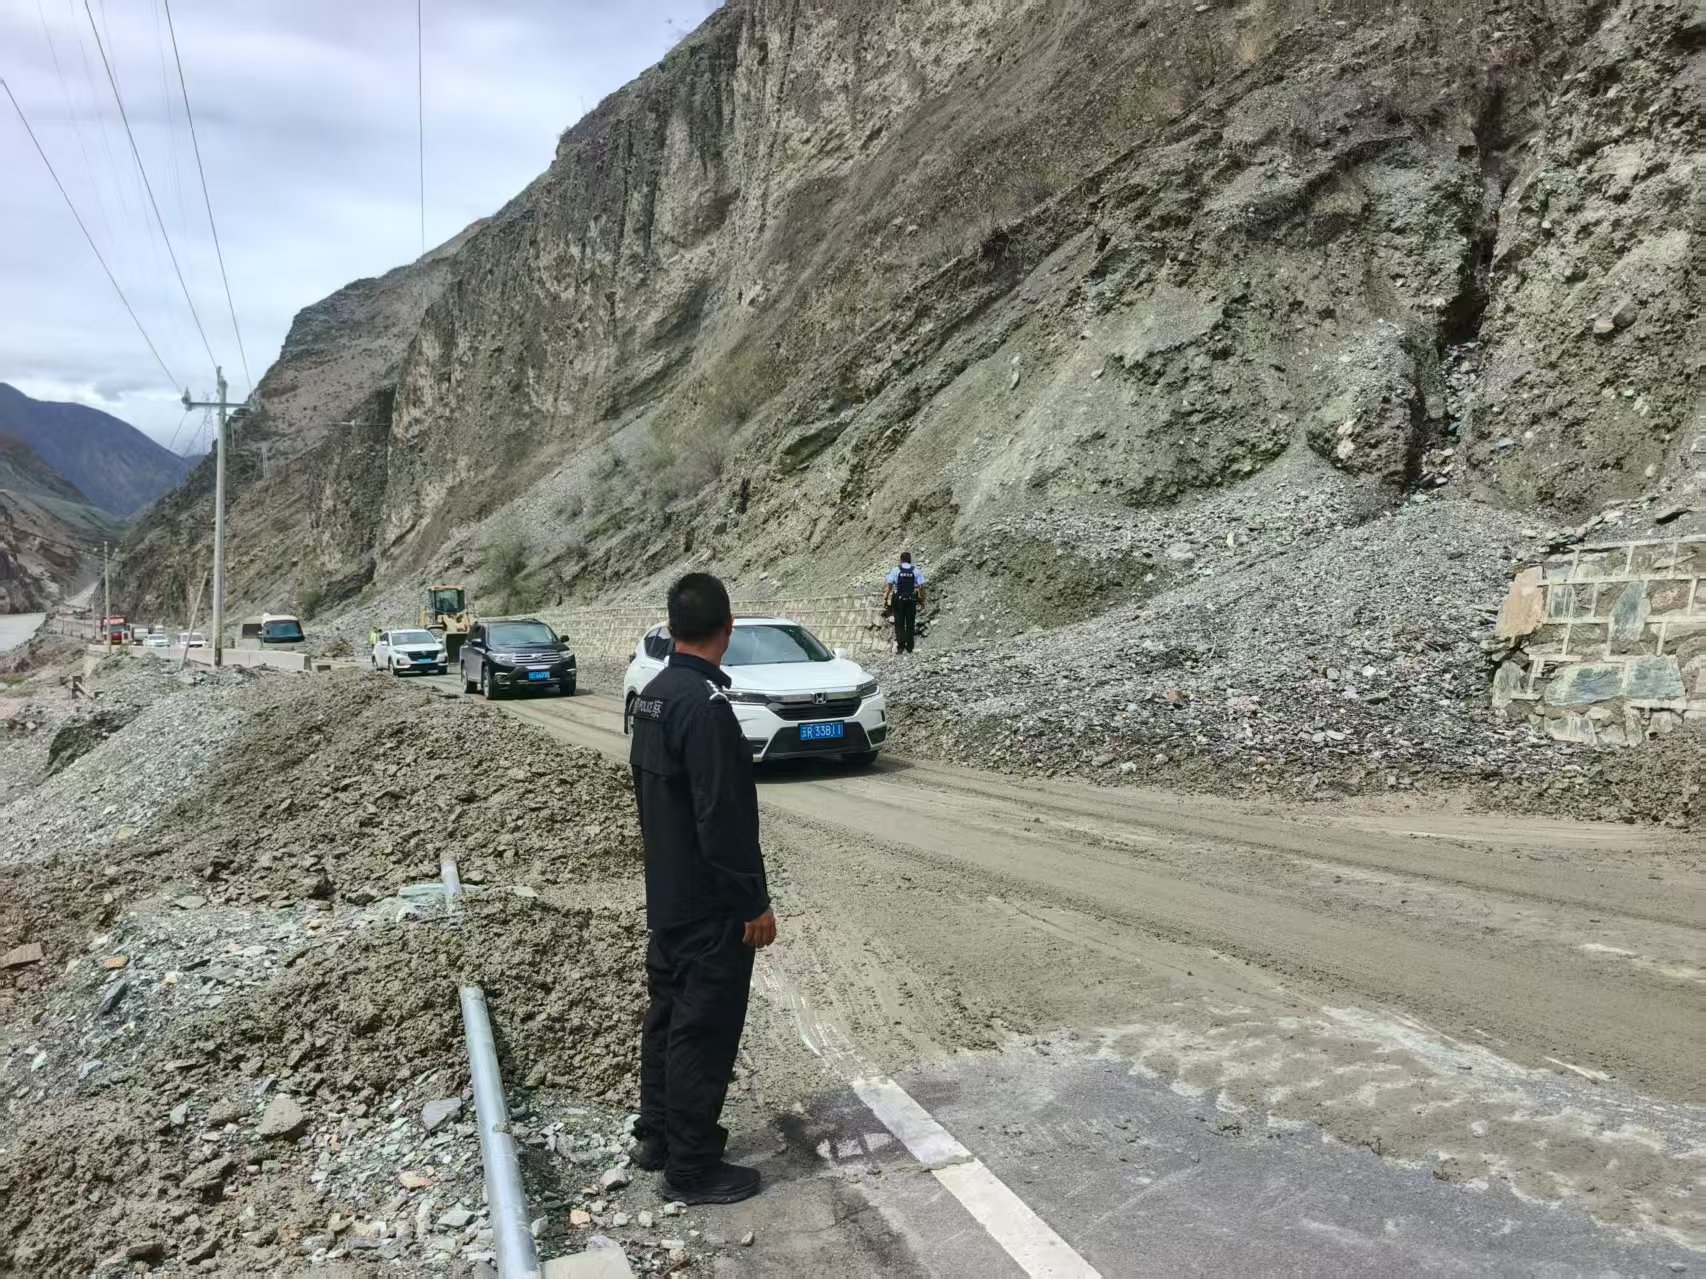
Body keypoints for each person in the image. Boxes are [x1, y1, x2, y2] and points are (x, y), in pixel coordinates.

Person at [628, 572, 777, 1205]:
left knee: (667, 1020)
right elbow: (722, 819)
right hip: (710, 905)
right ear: (729, 629)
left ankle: (658, 1136)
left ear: (670, 628)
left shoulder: (653, 696)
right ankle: (690, 1168)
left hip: (668, 894)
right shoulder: (706, 708)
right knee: (702, 1032)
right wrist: (752, 903)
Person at [883, 551, 926, 654]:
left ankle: (901, 647)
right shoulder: (916, 571)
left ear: (901, 560)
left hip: (898, 600)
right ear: (910, 560)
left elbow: (889, 586)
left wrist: (885, 598)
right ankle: (910, 647)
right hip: (911, 600)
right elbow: (921, 587)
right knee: (910, 623)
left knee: (899, 623)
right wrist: (922, 600)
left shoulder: (895, 570)